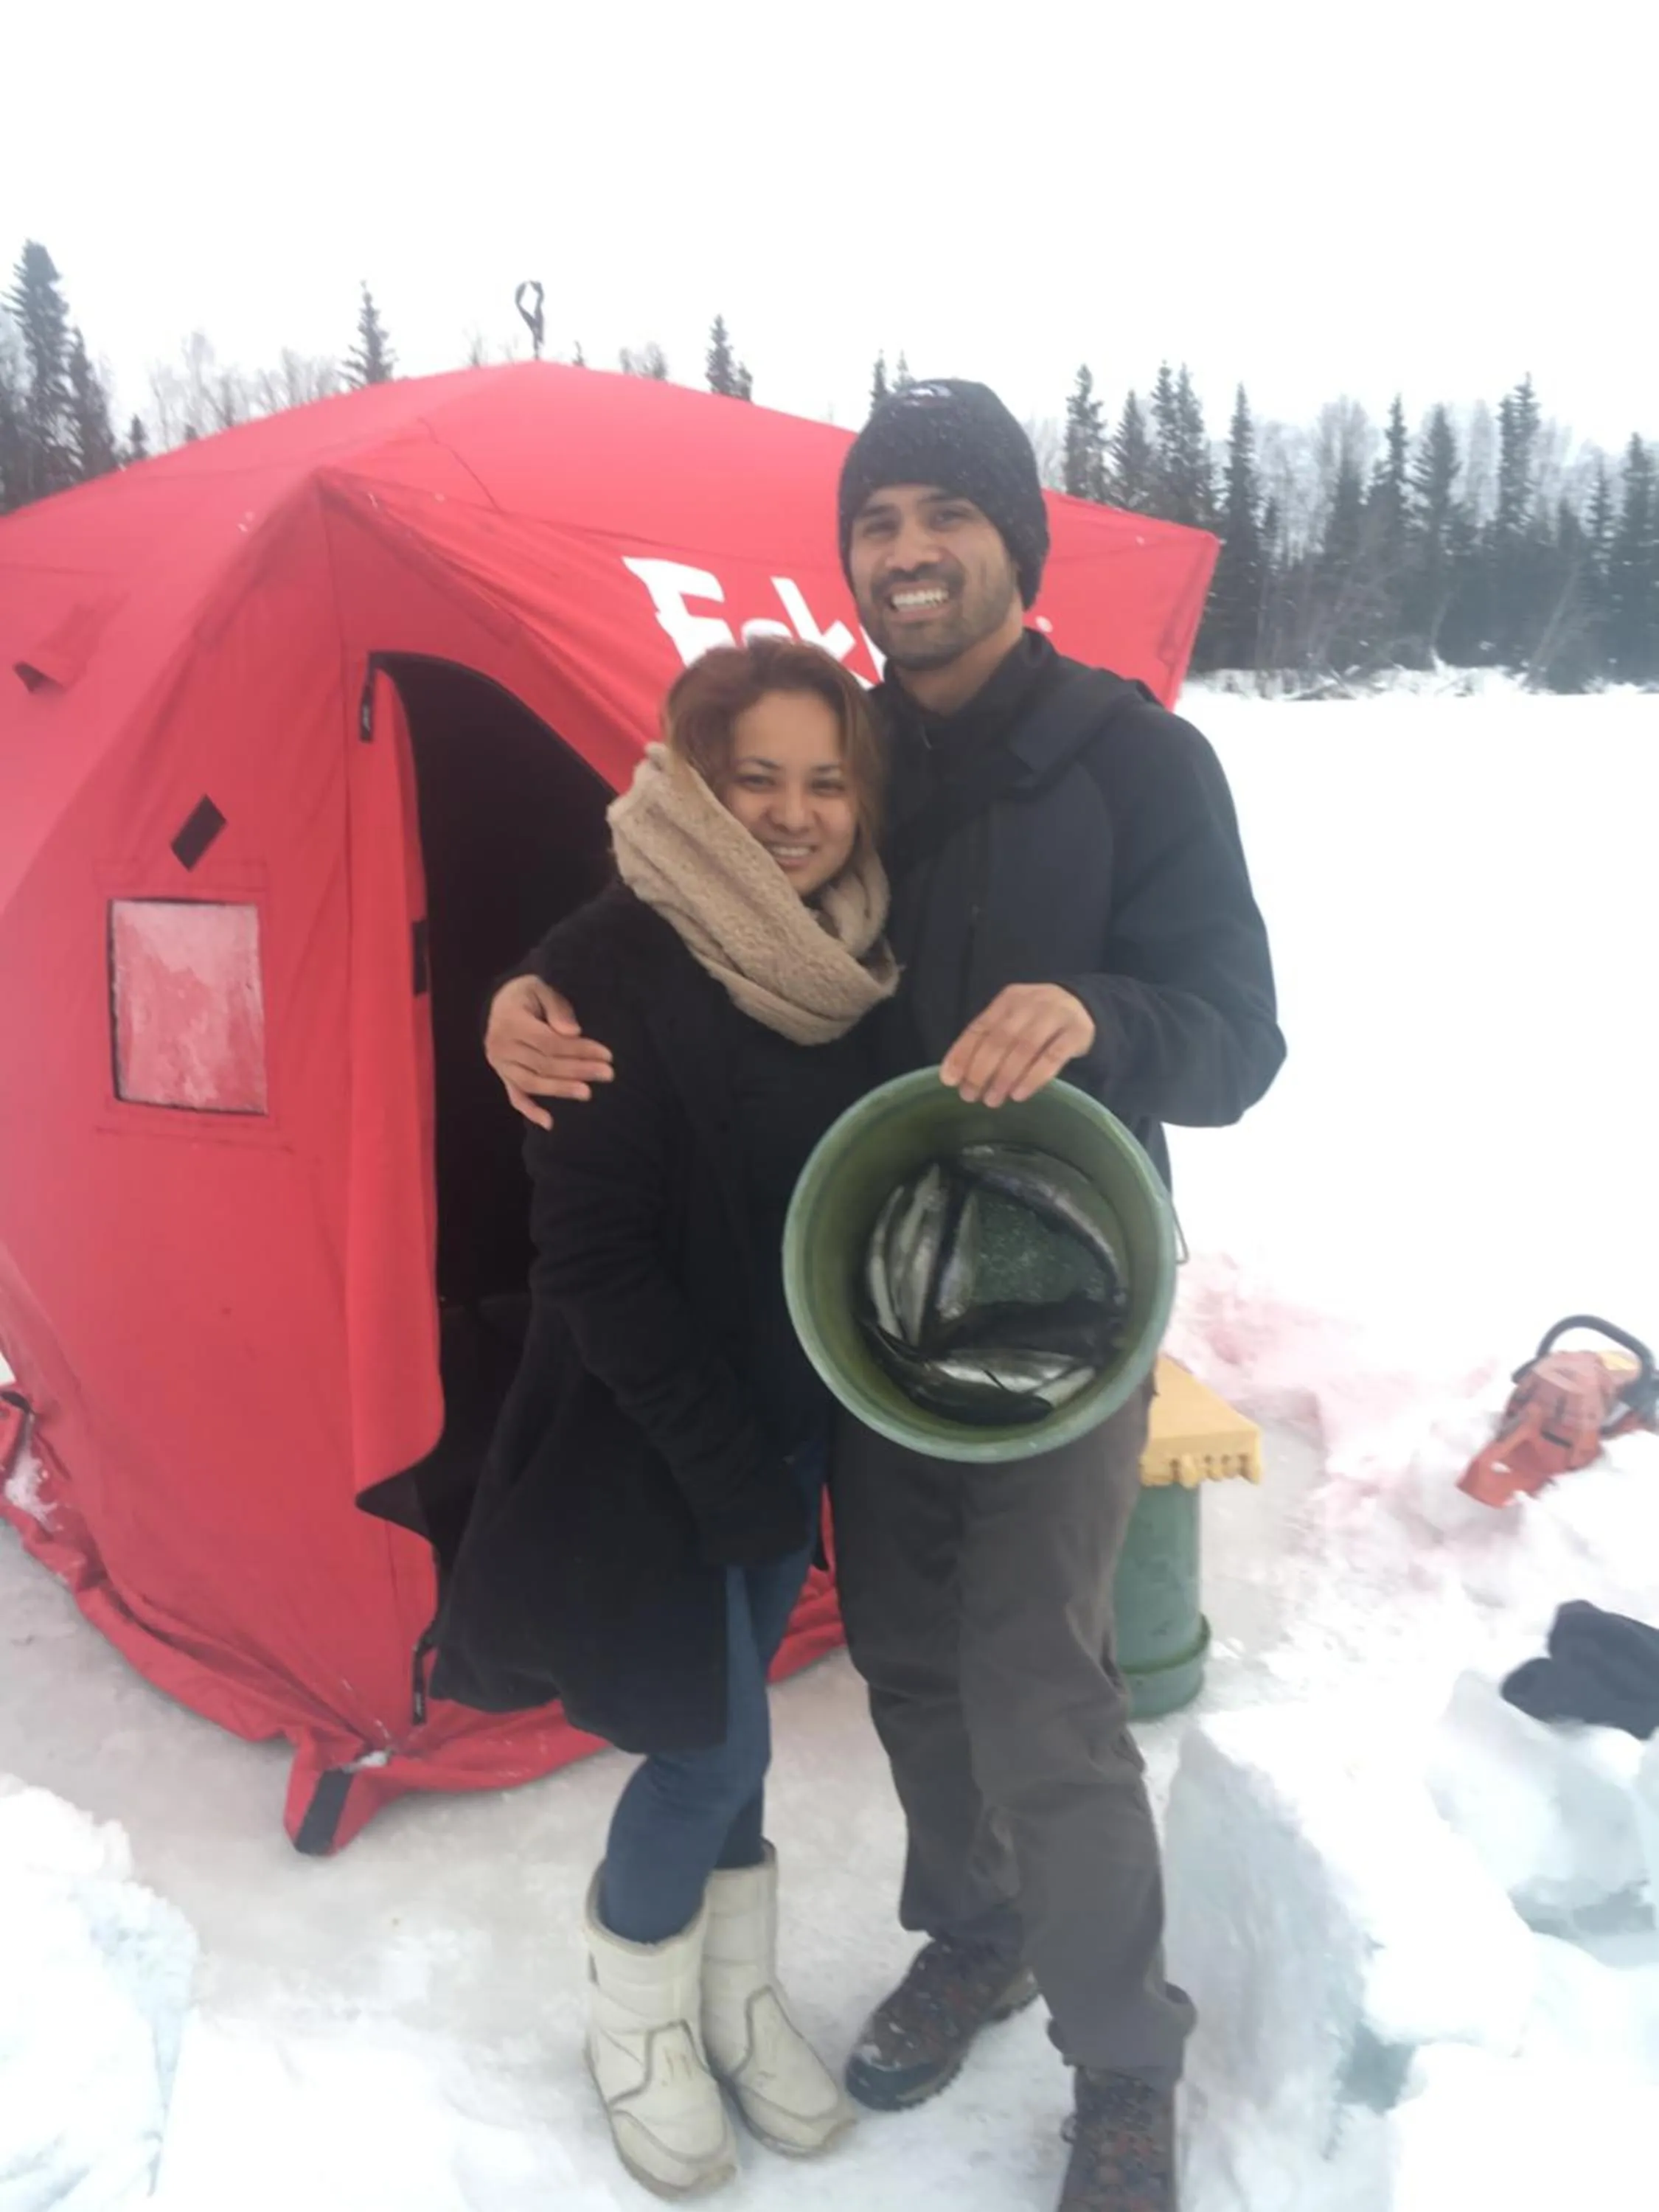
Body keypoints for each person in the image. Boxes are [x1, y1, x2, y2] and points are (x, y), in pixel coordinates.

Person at [483, 380, 1285, 2212]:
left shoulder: (1136, 762)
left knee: (1036, 1678)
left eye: (945, 515)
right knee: (912, 1663)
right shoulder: (853, 754)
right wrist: (524, 987)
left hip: (1062, 1316)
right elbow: (688, 881)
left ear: (1017, 540)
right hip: (865, 1304)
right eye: (879, 522)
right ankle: (975, 1931)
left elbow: (1241, 1040)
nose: (908, 553)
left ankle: (1122, 2058)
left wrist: (1104, 1015)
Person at [433, 636, 899, 2199]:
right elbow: (594, 1264)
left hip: (790, 1428)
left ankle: (735, 1991)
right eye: (753, 774)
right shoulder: (606, 963)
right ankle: (637, 2015)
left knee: (742, 1734)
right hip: (659, 1446)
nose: (792, 810)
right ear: (692, 779)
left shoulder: (846, 963)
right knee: (700, 1751)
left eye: (825, 779)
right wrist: (729, 1476)